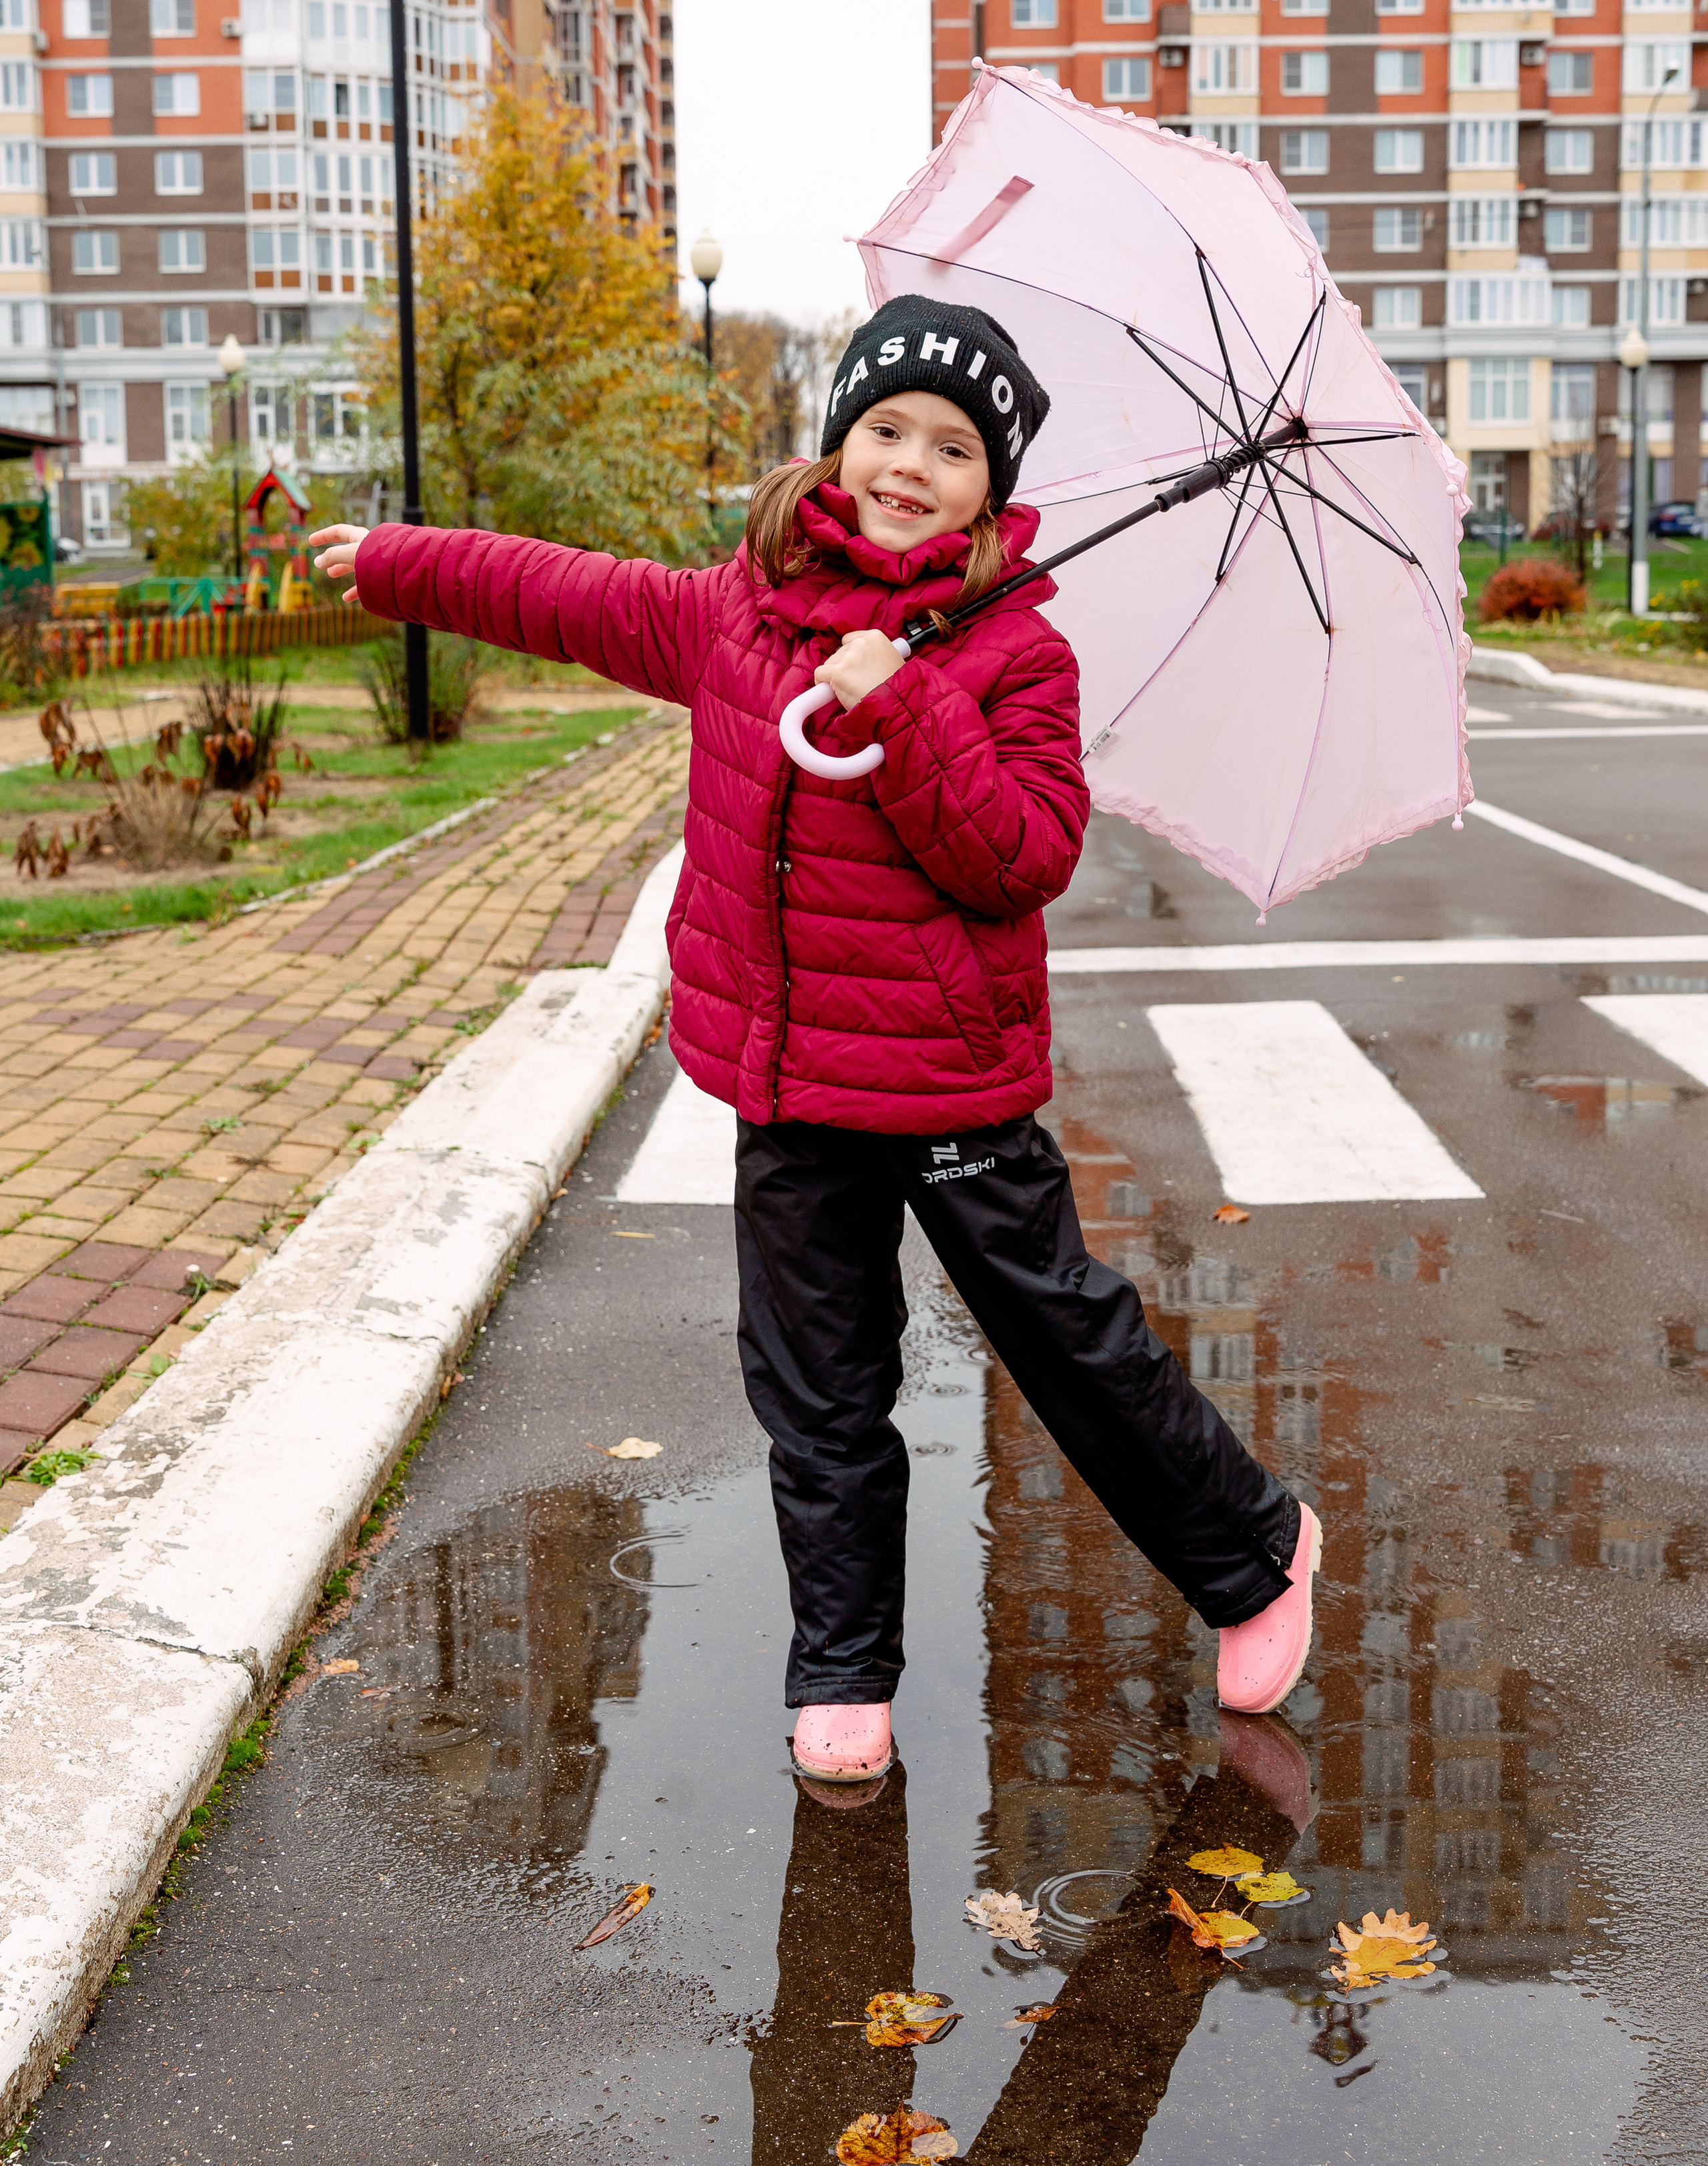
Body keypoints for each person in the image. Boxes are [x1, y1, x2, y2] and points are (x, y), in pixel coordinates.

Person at [311, 294, 1320, 1784]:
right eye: (886, 427)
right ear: (838, 439)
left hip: (950, 1084)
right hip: (786, 1080)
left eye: (954, 446)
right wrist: (405, 563)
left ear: (996, 483)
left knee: (1067, 1345)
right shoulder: (741, 610)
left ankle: (1253, 1551)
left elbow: (1023, 855)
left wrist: (907, 703)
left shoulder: (1015, 656)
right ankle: (842, 1668)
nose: (911, 463)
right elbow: (562, 590)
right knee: (818, 1388)